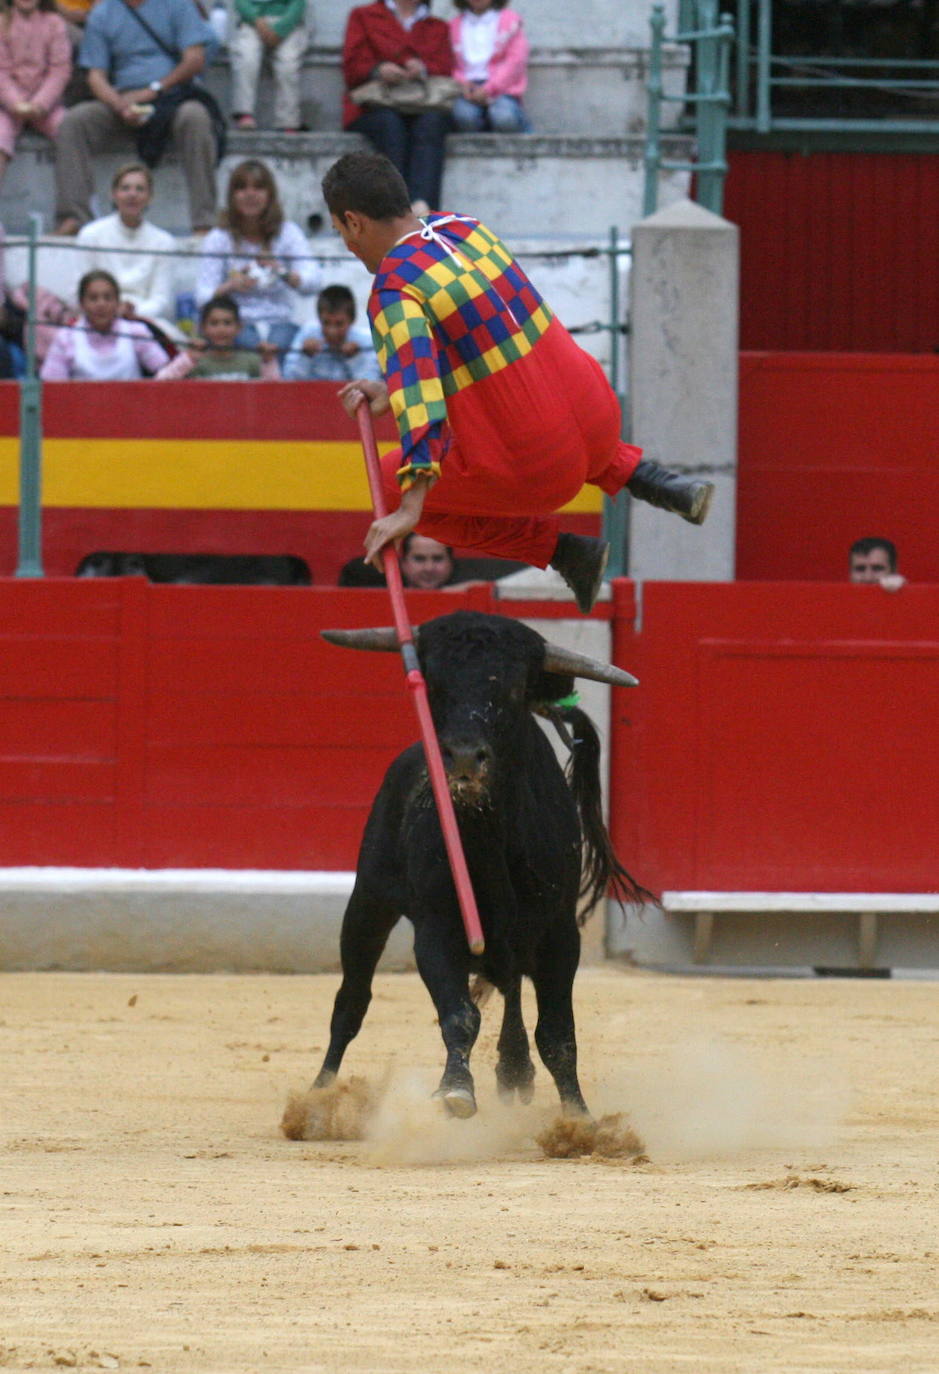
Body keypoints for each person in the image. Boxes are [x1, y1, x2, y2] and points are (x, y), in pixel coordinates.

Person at [322, 150, 713, 613]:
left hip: (541, 464)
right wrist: (388, 390)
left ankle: (561, 551)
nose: (346, 244)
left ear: (353, 222)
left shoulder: (395, 289)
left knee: (388, 484)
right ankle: (650, 479)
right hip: (600, 419)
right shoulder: (464, 229)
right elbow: (472, 341)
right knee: (522, 391)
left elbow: (420, 399)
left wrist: (409, 508)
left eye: (340, 231)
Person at [52, 0, 217, 236]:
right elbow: (95, 75)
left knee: (196, 117)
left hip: (171, 97)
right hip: (122, 99)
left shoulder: (178, 5)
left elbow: (194, 58)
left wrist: (154, 90)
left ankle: (204, 222)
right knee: (74, 122)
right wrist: (118, 104)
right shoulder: (103, 13)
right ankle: (74, 217)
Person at [196, 158, 319, 357]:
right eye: (242, 188)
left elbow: (313, 282)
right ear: (232, 196)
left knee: (289, 344)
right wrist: (231, 285)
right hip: (236, 323)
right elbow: (202, 297)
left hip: (281, 321)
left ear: (270, 195)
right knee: (248, 345)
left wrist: (281, 272)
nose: (250, 194)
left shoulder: (287, 233)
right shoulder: (219, 238)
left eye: (258, 188)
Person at [342, 0, 453, 216]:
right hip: (374, 106)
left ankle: (424, 207)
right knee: (390, 125)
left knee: (432, 123)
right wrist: (378, 70)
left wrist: (422, 68)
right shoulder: (363, 16)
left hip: (423, 102)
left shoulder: (437, 26)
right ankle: (396, 208)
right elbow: (351, 67)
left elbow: (446, 69)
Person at [75, 161, 180, 346]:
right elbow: (79, 288)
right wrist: (109, 311)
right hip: (96, 316)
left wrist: (133, 313)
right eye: (125, 188)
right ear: (114, 194)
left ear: (150, 197)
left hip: (144, 318)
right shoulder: (90, 234)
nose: (132, 194)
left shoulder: (164, 241)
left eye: (140, 189)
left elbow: (162, 300)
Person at [40, 268, 170, 377]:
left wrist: (188, 358)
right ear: (81, 303)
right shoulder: (66, 338)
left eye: (108, 298)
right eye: (93, 298)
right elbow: (50, 387)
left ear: (117, 302)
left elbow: (164, 375)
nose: (101, 304)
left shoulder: (136, 332)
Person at [0, 0, 71, 187]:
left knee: (70, 132)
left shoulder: (54, 23)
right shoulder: (1, 24)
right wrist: (15, 103)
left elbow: (60, 69)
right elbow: (1, 72)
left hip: (47, 106)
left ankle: (75, 209)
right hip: (7, 107)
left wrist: (40, 103)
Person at [449, 0, 530, 133]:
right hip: (468, 90)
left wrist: (489, 89)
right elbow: (450, 64)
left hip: (502, 89)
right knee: (464, 116)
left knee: (503, 117)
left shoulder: (509, 21)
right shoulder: (454, 25)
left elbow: (515, 61)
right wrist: (463, 84)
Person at [156, 293, 280, 378]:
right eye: (214, 323)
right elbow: (160, 382)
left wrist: (268, 361)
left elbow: (274, 393)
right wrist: (188, 359)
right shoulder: (194, 360)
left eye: (227, 323)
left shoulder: (251, 360)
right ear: (203, 328)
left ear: (239, 327)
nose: (221, 329)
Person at [230, 0, 308, 132]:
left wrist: (280, 30)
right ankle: (244, 113)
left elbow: (298, 5)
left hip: (287, 22)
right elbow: (241, 3)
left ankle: (288, 121)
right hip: (253, 22)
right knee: (247, 58)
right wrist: (257, 21)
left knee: (288, 64)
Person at [283, 283, 381, 382]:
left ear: (352, 320)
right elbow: (289, 380)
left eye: (339, 324)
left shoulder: (365, 339)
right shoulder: (308, 333)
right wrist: (305, 356)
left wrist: (355, 359)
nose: (332, 331)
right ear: (319, 319)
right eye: (326, 323)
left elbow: (372, 383)